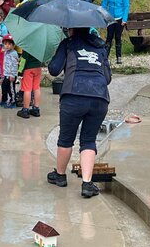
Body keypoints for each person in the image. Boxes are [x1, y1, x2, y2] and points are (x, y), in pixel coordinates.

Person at [46, 27, 113, 198]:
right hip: (99, 97)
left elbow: (54, 69)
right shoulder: (100, 46)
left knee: (66, 138)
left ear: (71, 28)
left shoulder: (68, 43)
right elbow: (107, 78)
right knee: (89, 140)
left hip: (73, 95)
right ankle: (87, 184)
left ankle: (60, 175)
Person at [102, 0, 131, 65]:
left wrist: (124, 19)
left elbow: (126, 6)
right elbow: (104, 5)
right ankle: (105, 57)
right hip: (110, 18)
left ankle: (119, 57)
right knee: (109, 37)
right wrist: (104, 16)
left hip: (120, 18)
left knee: (118, 37)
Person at [17, 48, 45, 118]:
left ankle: (25, 110)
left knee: (27, 89)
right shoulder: (40, 47)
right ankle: (36, 109)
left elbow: (23, 60)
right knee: (36, 88)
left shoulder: (27, 47)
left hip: (28, 69)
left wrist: (20, 72)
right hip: (38, 68)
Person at [0, 36, 20, 108]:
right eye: (5, 44)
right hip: (6, 74)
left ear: (13, 45)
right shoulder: (7, 52)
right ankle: (4, 100)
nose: (7, 45)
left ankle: (13, 101)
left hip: (11, 75)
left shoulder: (14, 53)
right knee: (4, 87)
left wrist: (13, 75)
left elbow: (14, 65)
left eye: (9, 44)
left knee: (11, 89)